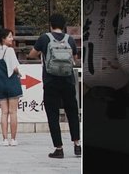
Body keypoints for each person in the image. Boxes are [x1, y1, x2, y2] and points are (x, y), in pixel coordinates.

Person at [28, 13, 81, 159]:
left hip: (51, 82)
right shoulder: (69, 39)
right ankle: (77, 145)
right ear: (64, 26)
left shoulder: (45, 38)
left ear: (51, 25)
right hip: (68, 81)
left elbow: (32, 54)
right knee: (72, 113)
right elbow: (75, 59)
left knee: (53, 115)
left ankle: (59, 149)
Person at [0, 28, 23, 147]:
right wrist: (19, 73)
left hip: (0, 84)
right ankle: (13, 139)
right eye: (9, 36)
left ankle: (4, 139)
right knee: (13, 112)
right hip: (11, 83)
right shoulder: (9, 51)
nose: (12, 39)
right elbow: (14, 68)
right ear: (3, 39)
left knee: (4, 113)